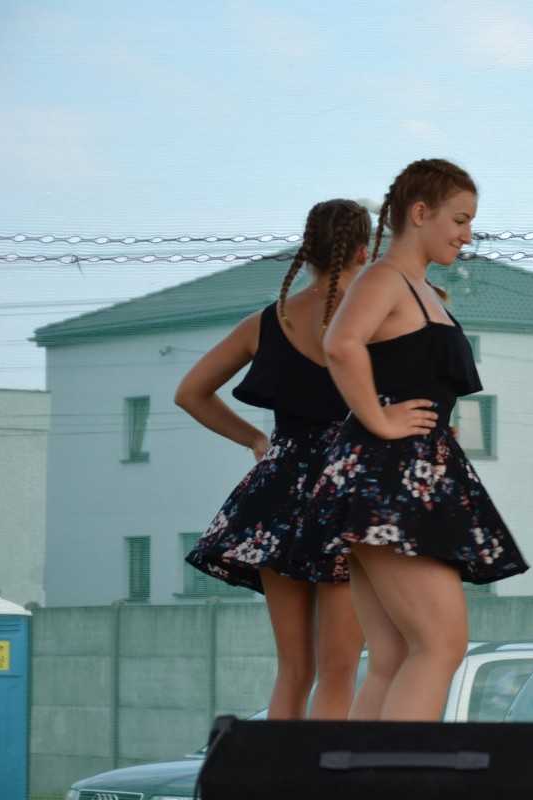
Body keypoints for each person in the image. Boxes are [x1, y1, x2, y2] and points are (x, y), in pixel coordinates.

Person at [297, 159, 528, 722]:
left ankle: (359, 769)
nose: (467, 236)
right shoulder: (384, 279)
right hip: (388, 477)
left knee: (396, 654)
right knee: (440, 645)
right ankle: (398, 769)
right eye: (460, 220)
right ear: (420, 213)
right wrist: (379, 419)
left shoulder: (422, 288)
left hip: (403, 476)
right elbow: (340, 343)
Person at [177, 199, 370, 720]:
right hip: (348, 494)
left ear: (307, 251)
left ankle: (279, 768)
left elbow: (190, 393)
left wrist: (256, 441)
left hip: (278, 492)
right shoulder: (375, 318)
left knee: (294, 669)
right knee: (338, 669)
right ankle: (325, 769)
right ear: (363, 251)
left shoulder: (266, 322)